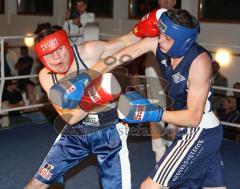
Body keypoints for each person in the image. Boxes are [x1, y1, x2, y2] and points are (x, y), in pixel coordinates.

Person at [87, 9, 227, 189]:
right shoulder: (157, 44)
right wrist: (87, 76)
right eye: (161, 34)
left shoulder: (199, 62)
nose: (160, 40)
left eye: (167, 38)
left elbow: (193, 118)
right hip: (199, 130)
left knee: (150, 186)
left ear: (184, 42)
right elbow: (116, 58)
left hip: (199, 131)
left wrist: (152, 113)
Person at [23, 23, 143, 189]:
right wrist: (95, 96)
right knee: (37, 183)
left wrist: (147, 25)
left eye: (59, 49)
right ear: (42, 59)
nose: (57, 57)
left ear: (67, 45)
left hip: (109, 130)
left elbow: (125, 41)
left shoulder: (89, 51)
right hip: (75, 132)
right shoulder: (46, 76)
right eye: (49, 54)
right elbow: (70, 118)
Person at [145, 0, 177, 162]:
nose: (166, 1)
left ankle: (171, 144)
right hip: (153, 65)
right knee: (154, 108)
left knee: (177, 106)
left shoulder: (181, 19)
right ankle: (159, 152)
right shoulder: (151, 18)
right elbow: (140, 41)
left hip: (176, 64)